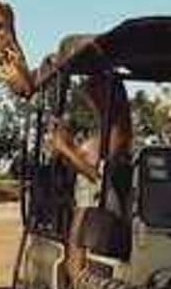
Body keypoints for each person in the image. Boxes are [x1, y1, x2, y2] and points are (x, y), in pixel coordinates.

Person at [46, 73, 133, 275]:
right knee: (73, 262)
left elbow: (97, 175)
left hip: (95, 205)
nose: (91, 102)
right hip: (85, 200)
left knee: (77, 266)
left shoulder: (118, 130)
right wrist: (68, 146)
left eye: (94, 96)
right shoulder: (105, 127)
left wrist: (66, 149)